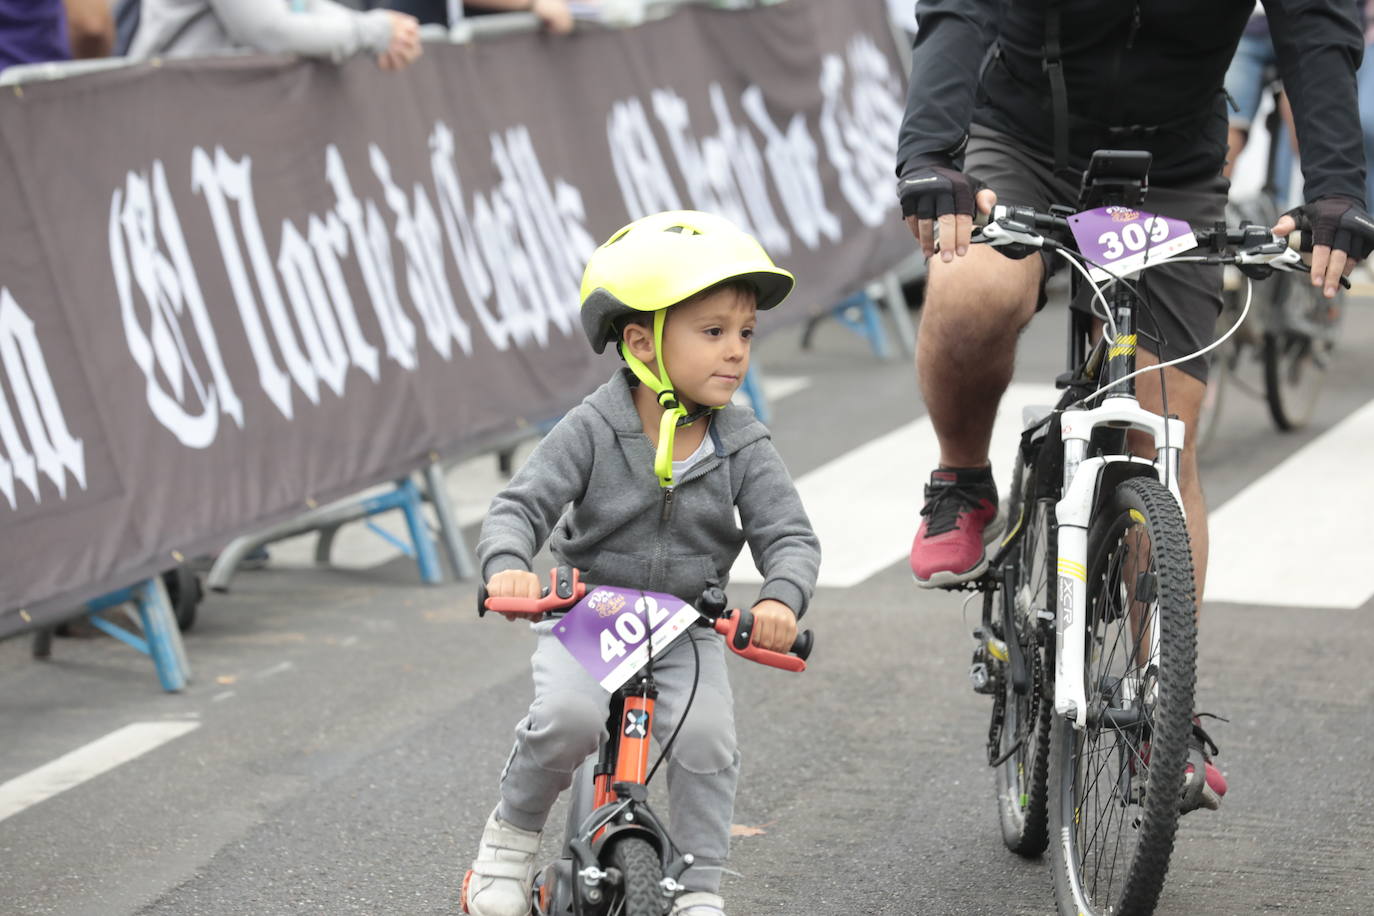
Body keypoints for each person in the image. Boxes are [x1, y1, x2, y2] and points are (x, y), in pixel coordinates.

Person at [895, 0, 1374, 813]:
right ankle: (962, 478)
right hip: (1021, 138)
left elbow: (1315, 22)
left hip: (1170, 168)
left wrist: (1336, 186)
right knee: (971, 297)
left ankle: (1164, 704)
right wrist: (932, 154)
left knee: (1161, 428)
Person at [463, 210, 820, 916]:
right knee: (565, 718)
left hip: (686, 622)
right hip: (595, 612)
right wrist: (508, 562)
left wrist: (781, 599)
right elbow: (519, 507)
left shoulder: (741, 441)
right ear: (642, 343)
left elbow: (790, 535)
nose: (736, 352)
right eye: (713, 332)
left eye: (745, 334)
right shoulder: (595, 427)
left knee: (708, 742)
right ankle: (506, 845)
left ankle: (697, 887)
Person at [128, 0, 423, 71]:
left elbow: (299, 7)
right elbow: (270, 30)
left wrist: (385, 30)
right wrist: (371, 31)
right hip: (174, 120)